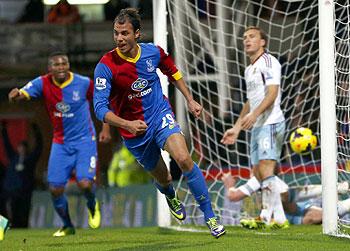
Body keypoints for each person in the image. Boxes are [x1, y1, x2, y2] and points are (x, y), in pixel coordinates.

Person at [93, 8, 225, 238]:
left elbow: (172, 72)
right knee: (164, 178)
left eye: (125, 33)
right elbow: (99, 108)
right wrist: (127, 124)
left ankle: (210, 216)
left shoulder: (153, 52)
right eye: (116, 33)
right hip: (134, 132)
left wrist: (190, 99)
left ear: (137, 34)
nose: (120, 38)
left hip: (159, 115)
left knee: (184, 158)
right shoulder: (106, 66)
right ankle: (170, 194)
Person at [8, 52, 111, 237]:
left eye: (64, 63)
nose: (61, 67)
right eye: (57, 64)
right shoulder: (43, 83)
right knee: (55, 188)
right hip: (60, 143)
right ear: (50, 68)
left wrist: (106, 129)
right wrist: (15, 95)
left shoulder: (83, 83)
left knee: (85, 184)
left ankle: (92, 204)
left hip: (84, 141)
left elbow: (102, 102)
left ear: (68, 66)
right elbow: (23, 93)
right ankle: (67, 225)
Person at [221, 26, 287, 228]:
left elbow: (272, 93)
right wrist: (237, 127)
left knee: (267, 168)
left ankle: (266, 216)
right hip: (257, 125)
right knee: (258, 172)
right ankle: (281, 219)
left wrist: (255, 115)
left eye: (252, 37)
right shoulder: (249, 69)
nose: (247, 40)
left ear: (263, 42)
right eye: (244, 38)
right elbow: (250, 101)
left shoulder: (269, 62)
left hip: (271, 121)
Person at [221, 173, 350, 226]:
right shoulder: (256, 179)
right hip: (283, 218)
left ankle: (337, 189)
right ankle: (338, 190)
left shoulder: (266, 176)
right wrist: (229, 186)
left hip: (291, 209)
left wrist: (229, 185)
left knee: (285, 195)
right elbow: (233, 196)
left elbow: (233, 195)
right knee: (315, 217)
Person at [1, 122, 43, 228]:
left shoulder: (29, 160)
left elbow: (39, 148)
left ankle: (23, 227)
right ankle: (13, 227)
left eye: (24, 148)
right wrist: (4, 131)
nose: (22, 149)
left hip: (25, 192)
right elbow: (7, 145)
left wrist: (37, 133)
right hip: (13, 191)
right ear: (18, 148)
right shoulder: (13, 158)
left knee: (24, 212)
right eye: (20, 147)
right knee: (13, 211)